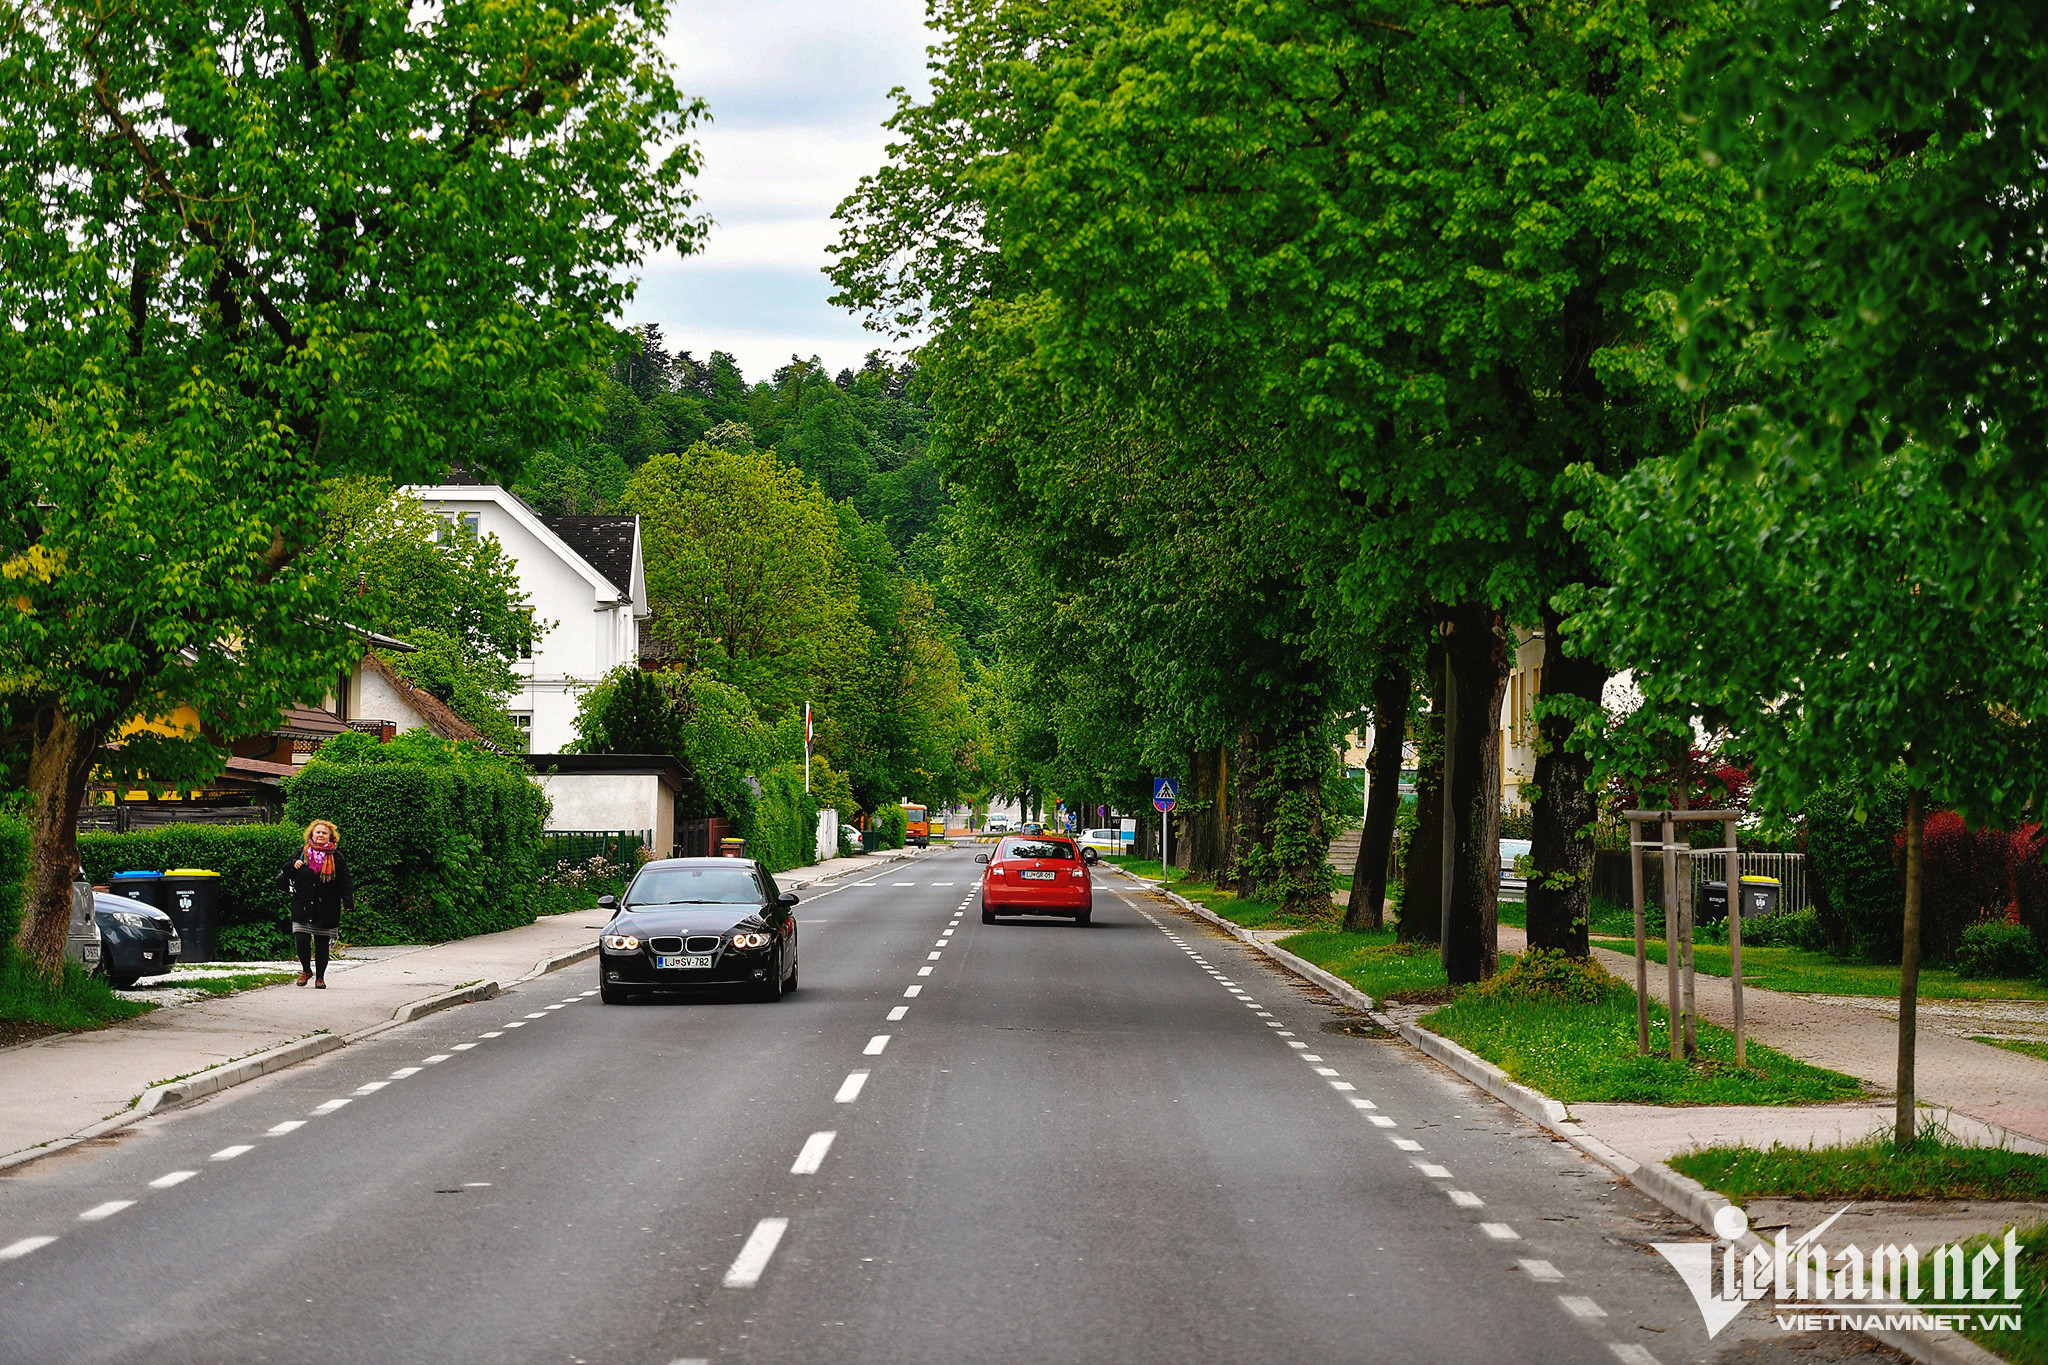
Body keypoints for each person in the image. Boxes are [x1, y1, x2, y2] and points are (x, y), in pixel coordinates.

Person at [277, 819, 354, 988]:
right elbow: (285, 872)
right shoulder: (302, 852)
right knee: (301, 939)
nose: (320, 835)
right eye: (317, 832)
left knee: (321, 943)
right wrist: (293, 865)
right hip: (303, 905)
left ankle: (320, 977)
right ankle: (306, 970)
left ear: (330, 837)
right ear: (311, 834)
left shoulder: (336, 857)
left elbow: (345, 881)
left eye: (324, 833)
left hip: (326, 906)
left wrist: (348, 901)